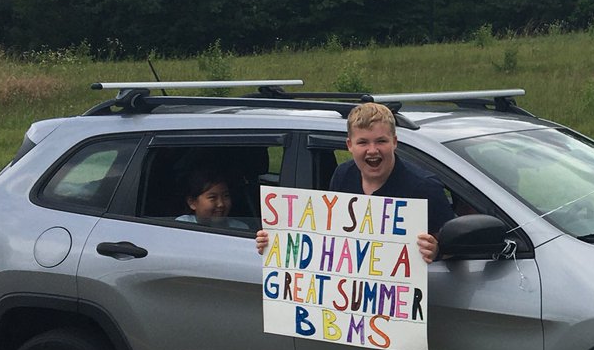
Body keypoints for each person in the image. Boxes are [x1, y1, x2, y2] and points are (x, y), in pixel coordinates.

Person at [256, 101, 453, 262]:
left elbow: (454, 252)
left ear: (395, 142)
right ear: (349, 145)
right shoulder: (342, 175)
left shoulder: (425, 187)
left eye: (381, 141)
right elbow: (327, 237)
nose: (373, 150)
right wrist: (276, 241)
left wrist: (437, 252)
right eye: (363, 142)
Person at [177, 165, 251, 230]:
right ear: (192, 202)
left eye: (226, 196)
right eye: (213, 197)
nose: (221, 204)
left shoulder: (240, 228)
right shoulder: (182, 225)